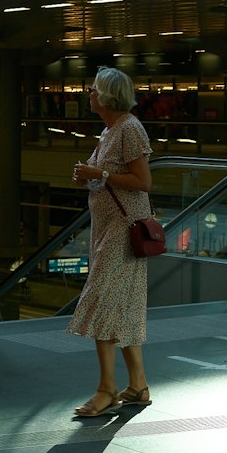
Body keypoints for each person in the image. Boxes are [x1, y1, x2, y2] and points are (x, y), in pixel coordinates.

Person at [68, 67, 154, 418]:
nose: (88, 94)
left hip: (122, 231)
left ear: (106, 95)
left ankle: (106, 390)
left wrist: (99, 174)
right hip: (107, 230)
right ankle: (138, 385)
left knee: (102, 303)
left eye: (92, 89)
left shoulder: (129, 128)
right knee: (122, 306)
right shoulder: (109, 131)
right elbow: (105, 178)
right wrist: (88, 176)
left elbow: (143, 181)